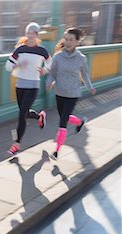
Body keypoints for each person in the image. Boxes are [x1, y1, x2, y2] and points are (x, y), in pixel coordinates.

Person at [46, 27, 96, 160]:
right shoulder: (58, 57)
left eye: (71, 40)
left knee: (62, 121)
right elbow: (52, 73)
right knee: (65, 117)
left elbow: (85, 75)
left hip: (73, 93)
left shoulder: (81, 58)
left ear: (77, 42)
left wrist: (90, 87)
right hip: (60, 92)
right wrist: (49, 82)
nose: (67, 42)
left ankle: (56, 151)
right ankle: (79, 122)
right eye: (66, 39)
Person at [5, 22, 52, 155]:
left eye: (34, 33)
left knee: (21, 115)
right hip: (20, 86)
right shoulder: (20, 49)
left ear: (37, 35)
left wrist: (45, 69)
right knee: (23, 112)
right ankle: (39, 117)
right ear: (26, 34)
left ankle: (16, 144)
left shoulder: (42, 50)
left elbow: (50, 63)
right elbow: (8, 66)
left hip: (33, 85)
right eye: (29, 33)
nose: (31, 35)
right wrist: (18, 64)